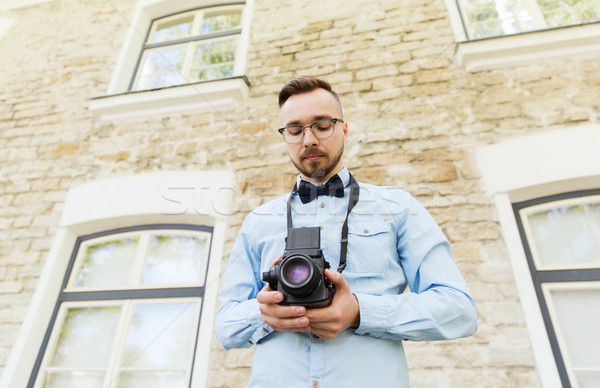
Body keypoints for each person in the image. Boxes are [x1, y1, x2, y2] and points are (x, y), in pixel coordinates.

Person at [215, 76, 477, 387]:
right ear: (285, 136)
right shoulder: (258, 220)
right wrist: (265, 314)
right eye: (295, 130)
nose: (309, 139)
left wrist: (359, 312)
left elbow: (459, 310)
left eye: (322, 125)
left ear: (344, 129)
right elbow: (225, 326)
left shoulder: (398, 207)